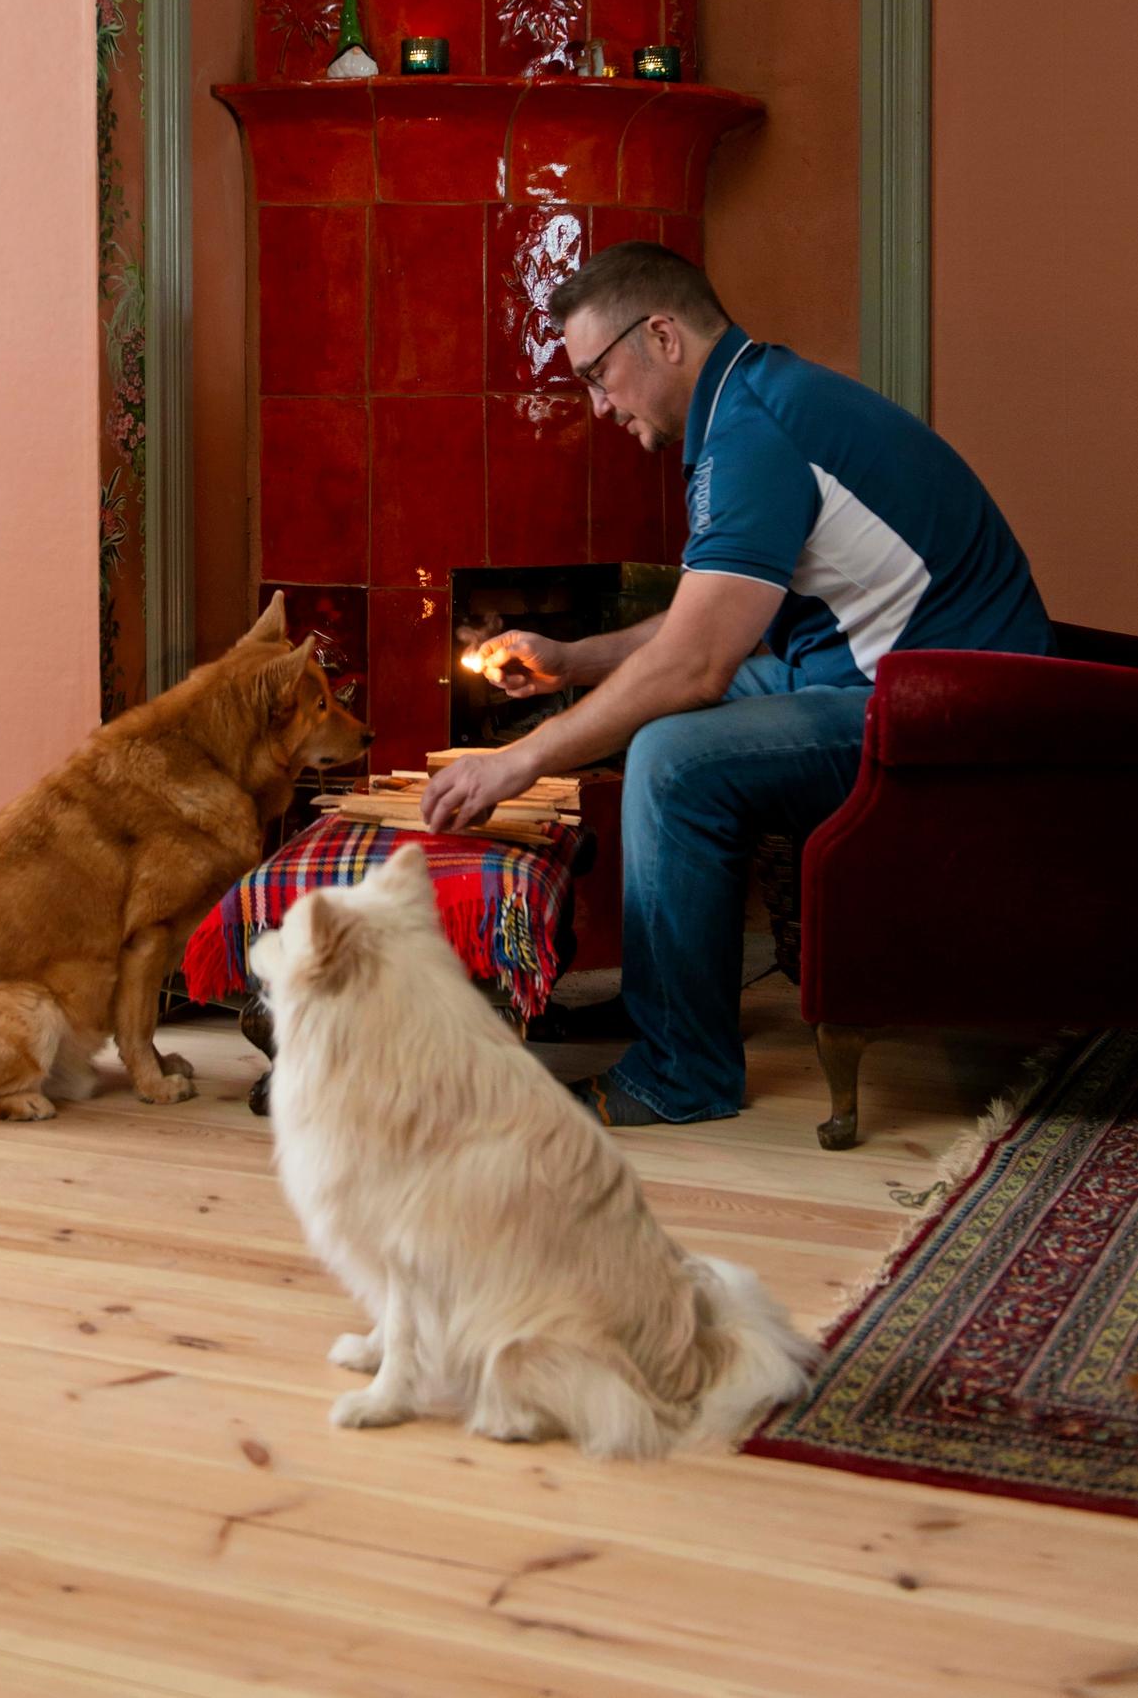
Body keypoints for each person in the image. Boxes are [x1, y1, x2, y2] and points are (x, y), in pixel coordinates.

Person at [422, 242, 1053, 1126]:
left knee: (675, 755)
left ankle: (682, 1069)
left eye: (599, 374)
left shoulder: (757, 431)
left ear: (663, 336)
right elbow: (702, 618)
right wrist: (572, 659)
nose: (598, 405)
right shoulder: (756, 401)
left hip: (949, 711)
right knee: (672, 724)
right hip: (874, 677)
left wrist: (511, 762)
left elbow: (693, 663)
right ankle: (667, 1000)